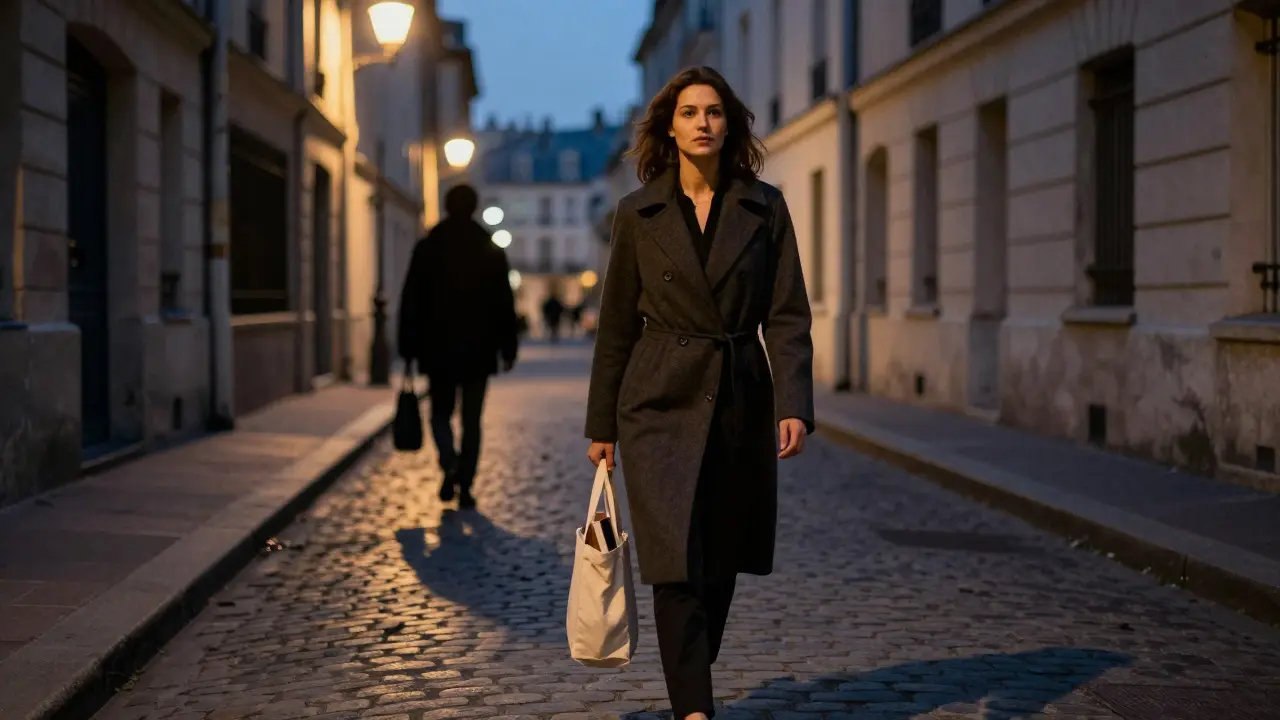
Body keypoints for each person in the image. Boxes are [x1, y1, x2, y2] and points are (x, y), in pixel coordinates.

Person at [583, 66, 814, 720]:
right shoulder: (638, 214)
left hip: (740, 391)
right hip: (657, 397)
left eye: (714, 111)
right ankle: (695, 709)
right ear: (670, 126)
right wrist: (603, 423)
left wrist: (793, 400)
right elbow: (617, 324)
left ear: (730, 124)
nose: (703, 122)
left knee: (719, 557)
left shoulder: (764, 206)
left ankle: (690, 672)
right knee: (673, 560)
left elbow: (788, 312)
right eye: (689, 112)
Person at [398, 184, 519, 509]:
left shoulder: (428, 247)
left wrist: (407, 345)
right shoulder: (490, 249)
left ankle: (448, 462)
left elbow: (411, 299)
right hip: (479, 350)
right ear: (475, 207)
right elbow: (504, 304)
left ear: (447, 206)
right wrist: (508, 347)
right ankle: (465, 483)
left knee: (439, 414)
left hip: (437, 349)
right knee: (471, 420)